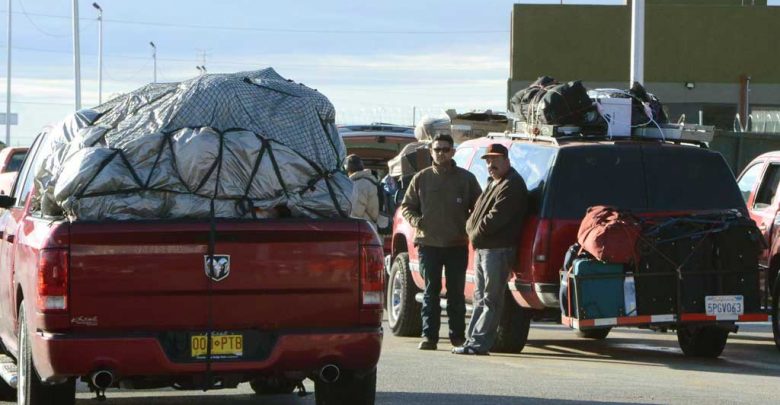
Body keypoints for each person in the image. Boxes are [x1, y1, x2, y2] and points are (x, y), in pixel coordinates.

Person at [400, 134, 481, 350]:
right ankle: (430, 337)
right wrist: (417, 221)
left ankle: (457, 337)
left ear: (453, 152)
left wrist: (471, 228)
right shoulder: (421, 178)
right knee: (430, 292)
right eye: (437, 149)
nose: (441, 153)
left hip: (457, 244)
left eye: (445, 149)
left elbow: (479, 207)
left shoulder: (466, 179)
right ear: (431, 152)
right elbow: (406, 206)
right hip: (429, 245)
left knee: (456, 294)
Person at [453, 143, 528, 355]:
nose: (490, 164)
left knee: (491, 298)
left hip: (498, 250)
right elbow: (476, 213)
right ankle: (471, 341)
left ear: (506, 160)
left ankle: (479, 344)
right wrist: (472, 230)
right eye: (487, 160)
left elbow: (494, 219)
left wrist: (473, 233)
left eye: (495, 159)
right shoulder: (493, 183)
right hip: (484, 248)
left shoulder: (512, 185)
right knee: (480, 296)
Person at [345, 154, 379, 230]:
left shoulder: (358, 184)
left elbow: (356, 212)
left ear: (348, 169)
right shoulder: (371, 181)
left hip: (362, 228)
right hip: (373, 226)